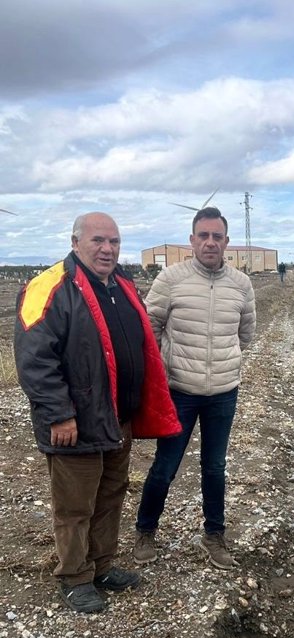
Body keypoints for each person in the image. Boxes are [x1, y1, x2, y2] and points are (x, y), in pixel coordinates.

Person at [14, 212, 181, 614]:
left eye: (115, 242)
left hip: (117, 418)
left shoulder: (120, 285)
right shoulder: (49, 286)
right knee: (75, 505)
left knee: (110, 495)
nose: (108, 249)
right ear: (75, 243)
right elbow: (35, 359)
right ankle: (74, 577)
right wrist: (59, 414)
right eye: (98, 241)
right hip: (76, 422)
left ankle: (102, 564)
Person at [133, 206, 256, 569]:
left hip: (223, 393)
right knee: (165, 466)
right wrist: (161, 368)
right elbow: (150, 326)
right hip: (179, 393)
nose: (210, 242)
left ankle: (214, 536)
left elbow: (246, 334)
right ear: (192, 240)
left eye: (217, 236)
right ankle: (145, 530)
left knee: (215, 468)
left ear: (227, 242)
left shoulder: (241, 284)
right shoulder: (171, 279)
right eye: (203, 235)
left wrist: (222, 361)